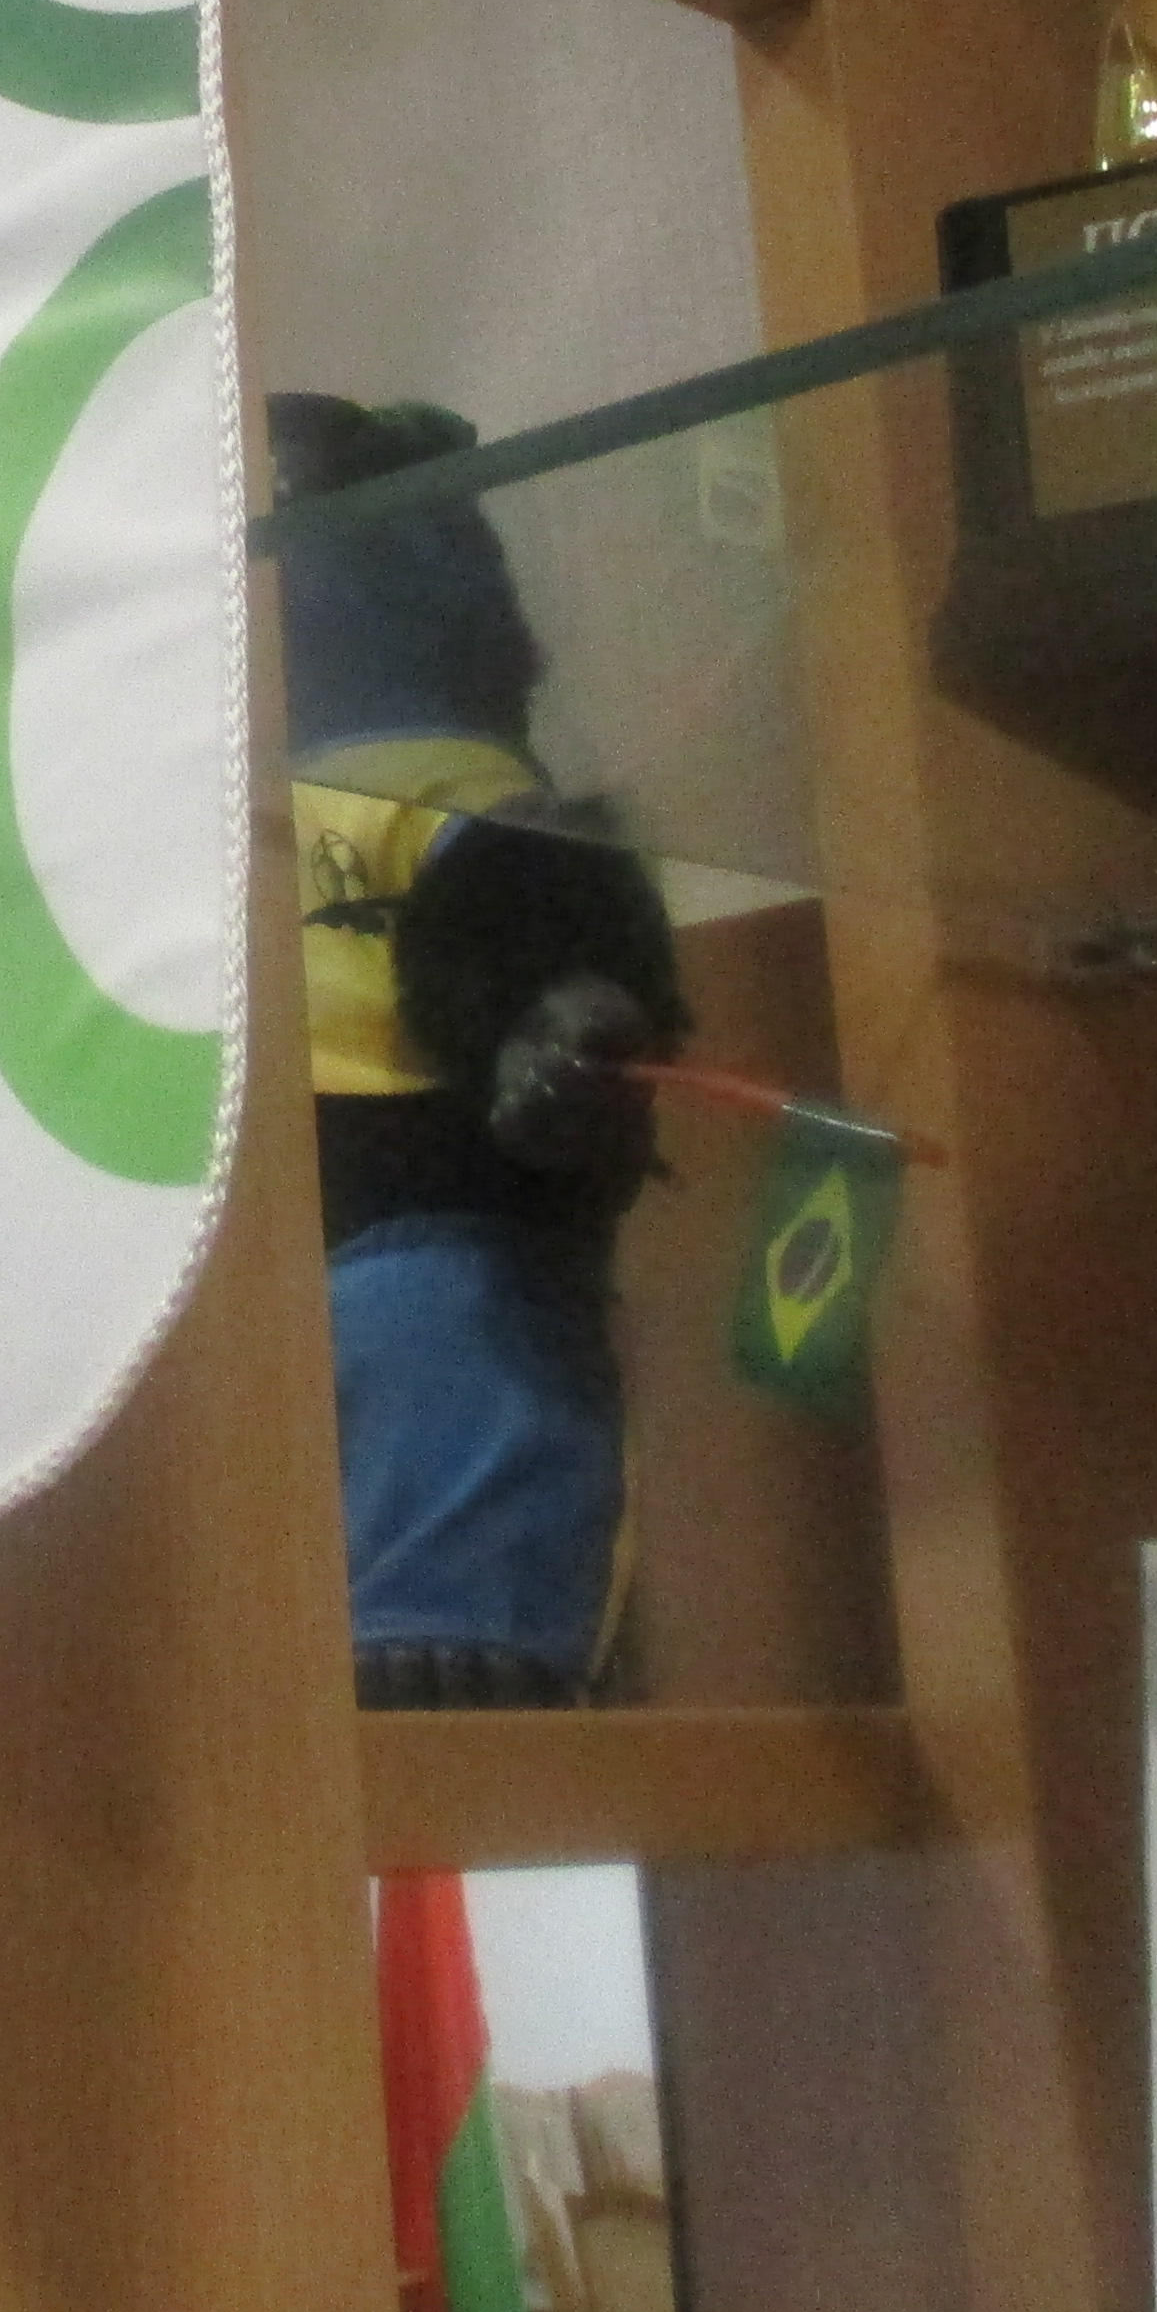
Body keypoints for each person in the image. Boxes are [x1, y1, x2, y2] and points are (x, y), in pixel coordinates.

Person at [270, 393, 687, 1708]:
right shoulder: (241, 791)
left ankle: (459, 1616)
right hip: (282, 1256)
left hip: (438, 1215)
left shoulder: (446, 786)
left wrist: (569, 1020)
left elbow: (549, 911)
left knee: (457, 1352)